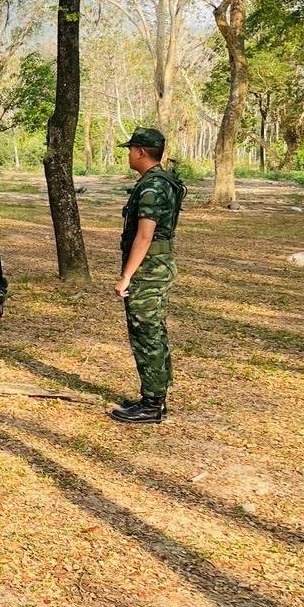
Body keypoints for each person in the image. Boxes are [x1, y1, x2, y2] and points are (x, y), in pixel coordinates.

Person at [111, 128, 186, 425]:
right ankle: (155, 396)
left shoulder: (153, 186)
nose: (129, 154)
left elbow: (145, 234)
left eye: (131, 149)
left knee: (146, 333)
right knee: (154, 330)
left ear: (141, 152)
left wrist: (126, 276)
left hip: (149, 269)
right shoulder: (163, 181)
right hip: (158, 264)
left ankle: (153, 404)